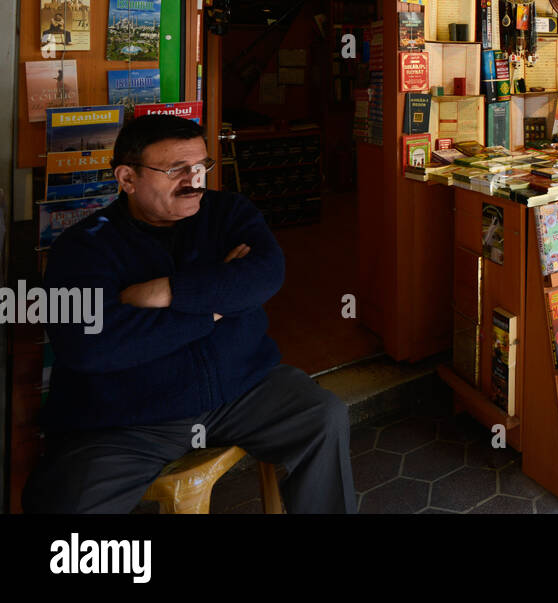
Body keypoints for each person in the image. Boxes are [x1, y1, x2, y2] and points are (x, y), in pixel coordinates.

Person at [22, 114, 356, 514]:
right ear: (127, 178)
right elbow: (90, 347)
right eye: (176, 169)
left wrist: (168, 291)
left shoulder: (228, 213)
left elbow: (265, 275)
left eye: (200, 166)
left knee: (323, 416)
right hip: (128, 420)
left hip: (241, 389)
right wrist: (211, 311)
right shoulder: (82, 250)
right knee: (67, 500)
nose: (194, 180)